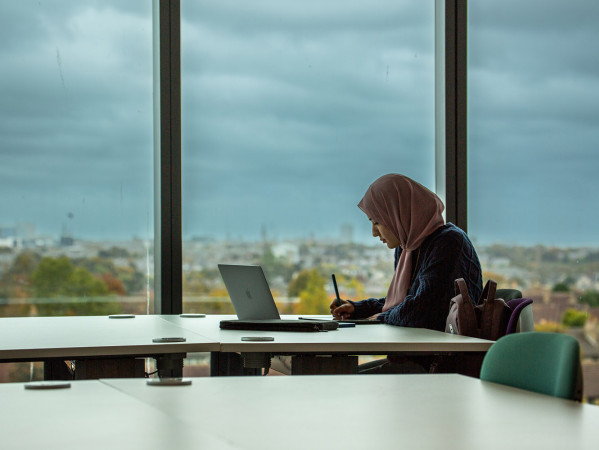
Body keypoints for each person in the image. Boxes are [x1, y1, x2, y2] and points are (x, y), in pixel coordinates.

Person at [330, 173, 483, 374]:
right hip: (414, 356)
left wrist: (378, 318)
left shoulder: (449, 243)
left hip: (442, 366)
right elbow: (405, 302)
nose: (374, 233)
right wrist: (358, 309)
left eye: (377, 222)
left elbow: (419, 312)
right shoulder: (407, 247)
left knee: (340, 383)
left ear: (398, 214)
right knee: (338, 377)